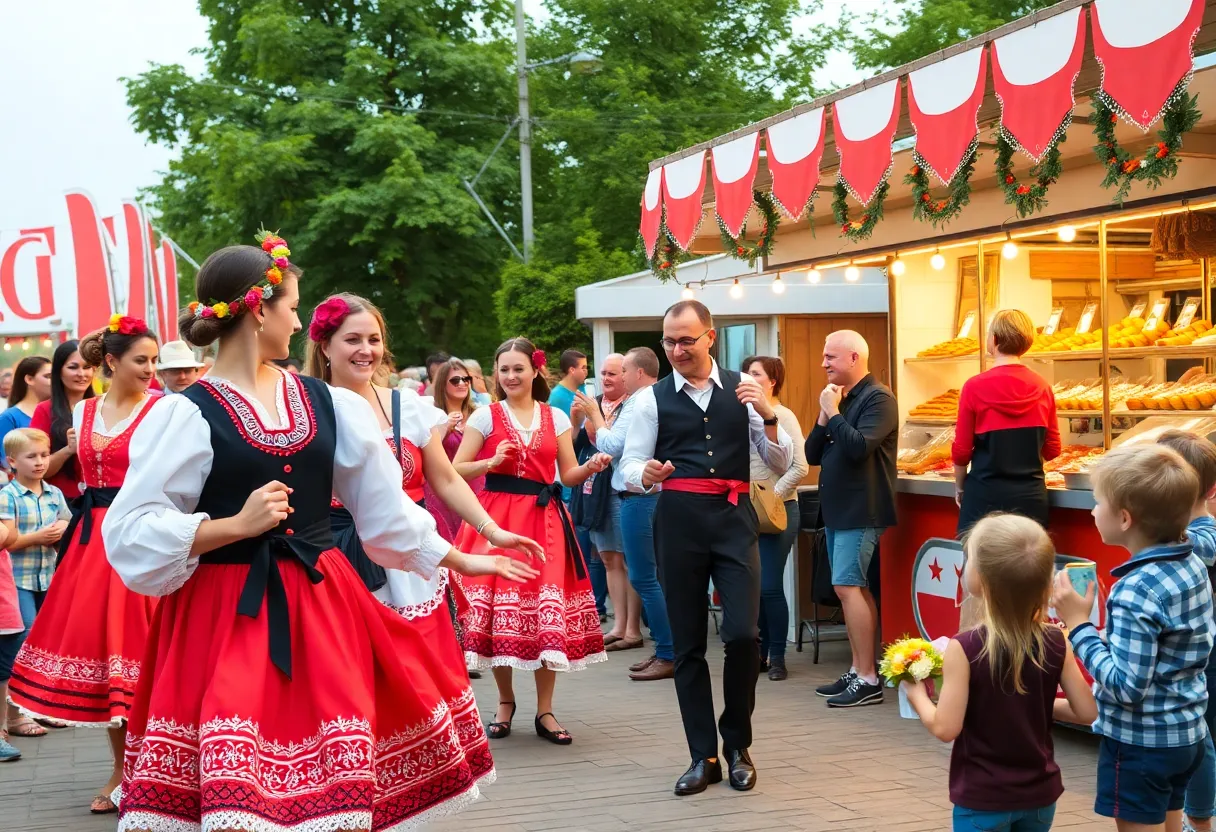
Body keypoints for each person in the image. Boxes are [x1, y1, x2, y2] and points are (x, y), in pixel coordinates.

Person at [101, 233, 538, 832]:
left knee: (334, 783)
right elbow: (130, 531)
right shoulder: (186, 411)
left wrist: (467, 558)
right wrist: (231, 525)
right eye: (292, 306)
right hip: (223, 611)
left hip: (322, 601)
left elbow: (382, 512)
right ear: (260, 310)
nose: (298, 319)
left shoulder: (329, 403)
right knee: (238, 785)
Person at [306, 295, 543, 690]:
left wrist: (492, 531)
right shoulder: (304, 409)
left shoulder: (406, 408)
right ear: (325, 345)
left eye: (374, 339)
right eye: (352, 340)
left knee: (422, 681)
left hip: (412, 565)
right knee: (354, 683)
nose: (366, 350)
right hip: (334, 563)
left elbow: (446, 479)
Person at [619, 300, 792, 796]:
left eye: (686, 340)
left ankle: (738, 743)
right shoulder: (651, 399)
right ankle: (704, 755)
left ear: (710, 337)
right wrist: (644, 475)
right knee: (689, 643)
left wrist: (770, 414)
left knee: (742, 634)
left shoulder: (744, 390)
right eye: (669, 341)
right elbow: (629, 466)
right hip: (677, 523)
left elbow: (780, 462)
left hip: (735, 521)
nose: (676, 349)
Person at [8, 318, 159, 815]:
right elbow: (53, 469)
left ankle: (160, 769)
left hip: (147, 536)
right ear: (112, 362)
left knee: (155, 663)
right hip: (94, 545)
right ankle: (122, 770)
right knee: (106, 663)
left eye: (155, 361)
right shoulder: (86, 412)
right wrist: (70, 446)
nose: (150, 370)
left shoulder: (164, 409)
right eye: (142, 360)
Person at [452, 337, 610, 746]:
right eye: (503, 369)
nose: (510, 376)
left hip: (544, 522)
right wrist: (490, 461)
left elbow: (568, 474)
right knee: (496, 612)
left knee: (546, 615)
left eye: (518, 368)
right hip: (496, 521)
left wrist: (591, 465)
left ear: (535, 370)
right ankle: (505, 701)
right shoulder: (485, 417)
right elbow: (455, 471)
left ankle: (545, 708)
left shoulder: (555, 416)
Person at [1052, 444, 1214, 832]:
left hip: (1142, 745)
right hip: (1186, 734)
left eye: (1098, 503)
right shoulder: (1190, 562)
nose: (1092, 511)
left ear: (1124, 518)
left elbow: (1127, 687)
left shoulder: (1134, 590)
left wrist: (1079, 627)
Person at [904, 514, 1097, 831]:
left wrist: (916, 696)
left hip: (983, 799)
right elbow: (1088, 711)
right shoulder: (1057, 640)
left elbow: (945, 728)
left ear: (981, 578)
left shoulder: (963, 647)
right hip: (1039, 796)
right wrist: (1028, 707)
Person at [807, 330, 898, 709]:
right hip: (838, 508)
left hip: (862, 508)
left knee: (847, 587)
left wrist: (835, 413)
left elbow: (860, 448)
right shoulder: (839, 398)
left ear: (855, 358)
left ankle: (867, 678)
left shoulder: (879, 399)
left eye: (831, 357)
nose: (824, 363)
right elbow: (814, 452)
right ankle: (860, 668)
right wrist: (824, 414)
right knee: (854, 589)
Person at [582, 346, 676, 681]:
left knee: (644, 577)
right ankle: (665, 650)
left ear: (638, 373)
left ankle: (668, 652)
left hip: (641, 496)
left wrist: (594, 414)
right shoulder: (651, 398)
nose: (618, 377)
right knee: (646, 576)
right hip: (643, 495)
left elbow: (612, 445)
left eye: (623, 371)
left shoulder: (640, 401)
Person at [1155, 431, 1216, 832]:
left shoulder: (1203, 532)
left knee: (1202, 736)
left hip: (1204, 653)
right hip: (1188, 650)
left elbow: (1202, 546)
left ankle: (1201, 815)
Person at [952, 310, 1061, 535]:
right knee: (1029, 569)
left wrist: (961, 486)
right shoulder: (1042, 387)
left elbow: (962, 452)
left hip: (983, 499)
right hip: (1030, 502)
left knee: (979, 568)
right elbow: (1052, 450)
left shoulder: (973, 387)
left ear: (994, 340)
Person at [0, 429, 70, 750]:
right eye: (32, 456)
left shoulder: (55, 493)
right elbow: (8, 540)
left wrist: (64, 529)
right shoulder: (7, 496)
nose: (40, 462)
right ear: (12, 462)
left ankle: (41, 707)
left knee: (46, 643)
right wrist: (40, 537)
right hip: (19, 582)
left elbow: (69, 523)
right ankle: (16, 713)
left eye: (44, 455)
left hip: (48, 578)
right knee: (22, 643)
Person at [743, 355, 809, 681]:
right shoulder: (741, 416)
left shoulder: (783, 416)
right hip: (745, 513)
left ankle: (778, 656)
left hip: (780, 512)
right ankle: (760, 654)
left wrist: (772, 500)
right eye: (747, 373)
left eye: (756, 374)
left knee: (769, 585)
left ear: (772, 381)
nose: (749, 379)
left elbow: (800, 467)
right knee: (752, 588)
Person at [575, 353, 642, 651]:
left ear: (627, 376)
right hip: (595, 487)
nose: (606, 379)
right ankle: (617, 624)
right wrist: (579, 418)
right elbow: (577, 447)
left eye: (613, 373)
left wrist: (595, 416)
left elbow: (617, 444)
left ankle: (632, 629)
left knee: (628, 560)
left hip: (621, 488)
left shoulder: (632, 405)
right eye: (602, 373)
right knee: (607, 558)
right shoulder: (596, 402)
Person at [30, 340, 95, 506]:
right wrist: (68, 450)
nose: (82, 374)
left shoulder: (103, 407)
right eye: (73, 367)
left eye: (87, 367)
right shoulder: (45, 410)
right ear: (59, 372)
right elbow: (35, 468)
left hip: (101, 500)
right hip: (60, 505)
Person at [428, 357, 484, 539]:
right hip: (443, 491)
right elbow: (425, 451)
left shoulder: (480, 414)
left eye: (466, 379)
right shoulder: (432, 415)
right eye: (455, 380)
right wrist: (445, 427)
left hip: (478, 487)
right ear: (443, 385)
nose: (462, 384)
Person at [0, 356, 52, 470]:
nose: (54, 382)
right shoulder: (9, 418)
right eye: (48, 376)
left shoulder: (58, 412)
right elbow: (7, 464)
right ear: (29, 379)